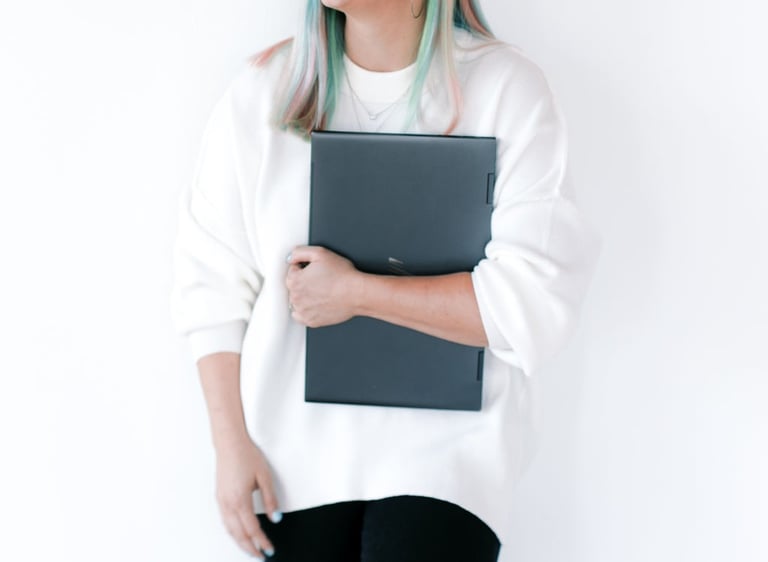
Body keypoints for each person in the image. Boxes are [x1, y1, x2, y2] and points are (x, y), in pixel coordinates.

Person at [170, 0, 601, 561]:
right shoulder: (264, 91)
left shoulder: (505, 89)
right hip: (294, 464)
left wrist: (356, 293)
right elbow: (211, 285)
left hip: (449, 460)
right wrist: (230, 446)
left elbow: (528, 303)